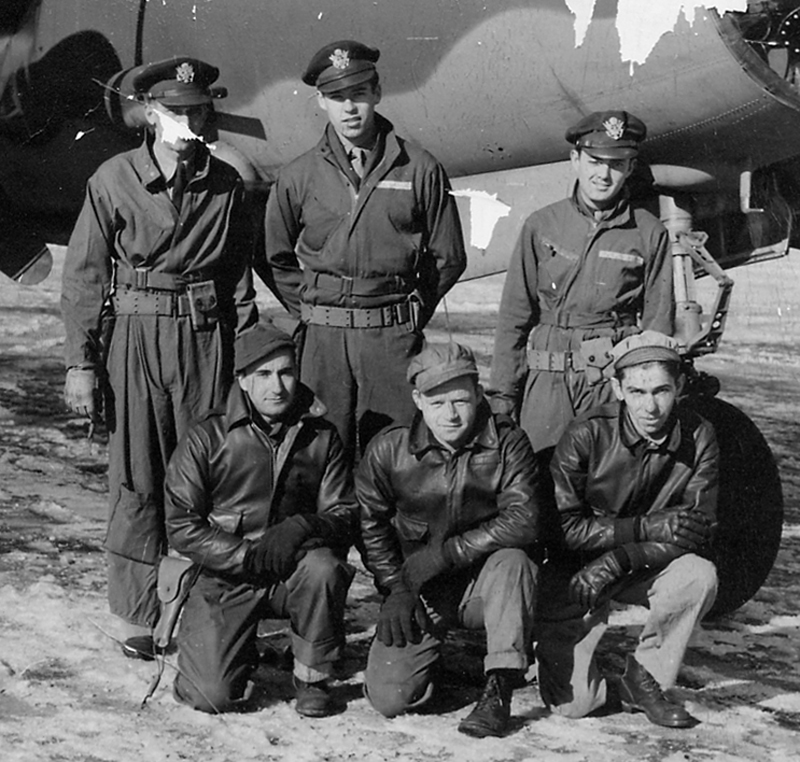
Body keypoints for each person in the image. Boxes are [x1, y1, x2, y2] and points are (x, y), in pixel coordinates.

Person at [61, 56, 258, 656]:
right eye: (176, 110)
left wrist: (247, 363)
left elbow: (239, 281)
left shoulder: (227, 183)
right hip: (138, 337)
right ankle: (137, 612)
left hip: (204, 337)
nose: (188, 121)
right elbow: (86, 276)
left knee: (204, 473)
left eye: (199, 110)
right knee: (137, 475)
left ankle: (200, 601)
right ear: (150, 114)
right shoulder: (114, 178)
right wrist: (81, 364)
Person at [262, 40, 466, 463]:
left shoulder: (420, 167)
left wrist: (408, 314)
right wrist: (312, 309)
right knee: (319, 454)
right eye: (336, 98)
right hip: (323, 341)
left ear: (376, 93)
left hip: (390, 338)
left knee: (397, 455)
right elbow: (274, 256)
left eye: (358, 94)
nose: (349, 108)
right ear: (321, 102)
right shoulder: (298, 175)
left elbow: (449, 256)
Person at [164, 322, 358, 716]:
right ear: (243, 379)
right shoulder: (207, 436)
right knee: (210, 696)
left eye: (286, 373)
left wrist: (304, 526)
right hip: (225, 576)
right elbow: (182, 523)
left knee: (323, 568)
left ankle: (311, 676)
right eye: (264, 374)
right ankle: (237, 650)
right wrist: (243, 556)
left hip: (292, 571)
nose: (278, 386)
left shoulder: (321, 436)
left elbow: (345, 512)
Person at [357, 342, 545, 737]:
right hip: (422, 589)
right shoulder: (390, 449)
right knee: (390, 698)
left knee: (515, 560)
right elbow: (370, 525)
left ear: (479, 394)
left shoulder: (508, 442)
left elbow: (525, 520)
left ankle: (499, 688)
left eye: (461, 400)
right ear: (418, 401)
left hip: (486, 586)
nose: (452, 414)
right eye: (437, 403)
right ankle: (435, 662)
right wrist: (396, 588)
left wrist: (448, 553)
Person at [537, 331, 718, 728]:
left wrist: (621, 556)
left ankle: (646, 677)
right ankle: (555, 649)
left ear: (680, 386)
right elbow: (563, 528)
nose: (650, 406)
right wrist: (643, 527)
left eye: (661, 391)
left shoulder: (699, 435)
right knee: (575, 705)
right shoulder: (586, 433)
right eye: (636, 391)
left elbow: (697, 529)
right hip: (578, 569)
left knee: (697, 575)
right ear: (617, 388)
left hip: (637, 565)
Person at [490, 110, 674, 460]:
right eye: (594, 161)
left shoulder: (649, 232)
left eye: (616, 164)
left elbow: (657, 324)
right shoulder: (542, 225)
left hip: (607, 384)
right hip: (546, 382)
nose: (603, 175)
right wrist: (503, 396)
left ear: (631, 168)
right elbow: (513, 317)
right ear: (575, 160)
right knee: (539, 483)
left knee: (608, 481)